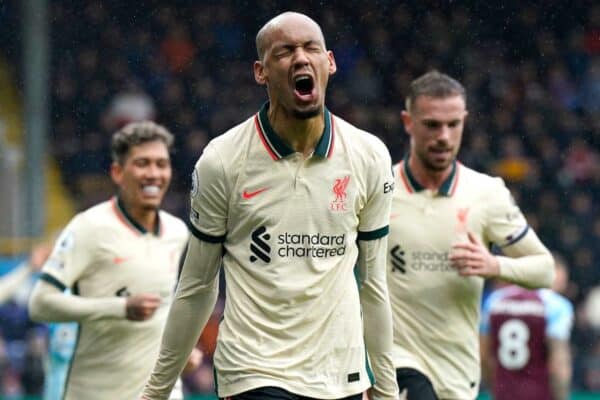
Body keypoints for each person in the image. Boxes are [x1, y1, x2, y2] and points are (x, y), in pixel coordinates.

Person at [142, 11, 399, 400]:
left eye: (311, 48)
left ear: (329, 62)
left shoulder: (368, 155)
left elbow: (375, 286)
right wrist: (156, 391)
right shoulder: (223, 160)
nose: (300, 58)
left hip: (340, 375)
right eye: (285, 51)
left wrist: (386, 390)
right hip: (254, 371)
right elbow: (197, 285)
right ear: (261, 72)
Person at [385, 71, 555, 400]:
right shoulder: (380, 190)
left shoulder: (486, 193)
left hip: (458, 373)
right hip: (395, 363)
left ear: (464, 120)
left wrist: (495, 266)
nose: (444, 137)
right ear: (408, 122)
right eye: (432, 125)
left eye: (453, 125)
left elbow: (545, 269)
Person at [28, 121, 193, 400]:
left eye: (161, 164)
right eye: (142, 163)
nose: (154, 173)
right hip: (96, 392)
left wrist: (182, 351)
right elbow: (40, 304)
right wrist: (119, 307)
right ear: (118, 172)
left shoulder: (178, 232)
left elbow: (165, 307)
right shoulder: (88, 228)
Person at [480, 254, 574, 400]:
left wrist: (495, 387)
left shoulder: (494, 300)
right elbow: (558, 364)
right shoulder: (556, 305)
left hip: (504, 392)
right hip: (540, 393)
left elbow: (483, 355)